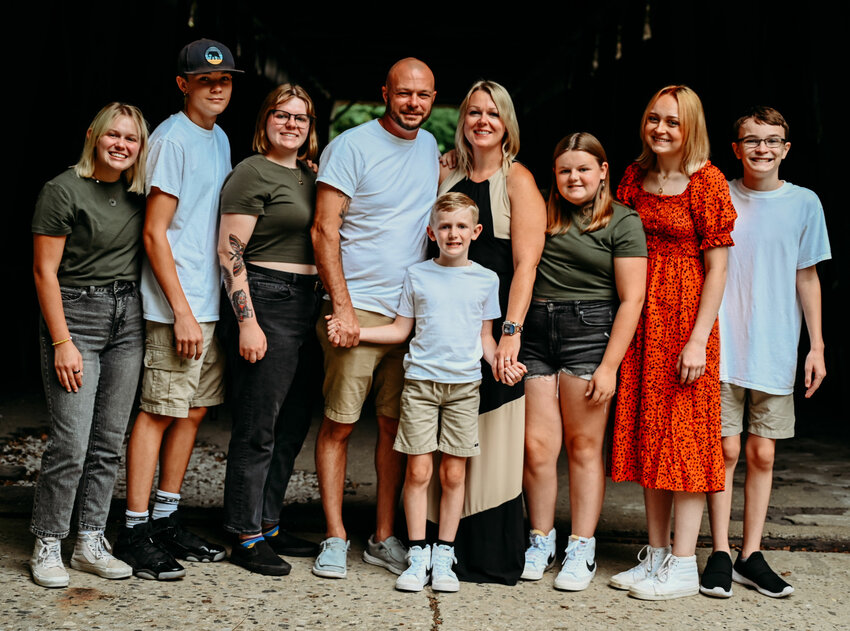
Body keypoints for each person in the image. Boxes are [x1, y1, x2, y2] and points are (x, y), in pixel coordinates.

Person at [327, 193, 524, 592]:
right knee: (418, 471)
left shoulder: (487, 279)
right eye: (445, 227)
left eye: (462, 227)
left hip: (464, 387)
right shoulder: (417, 275)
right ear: (432, 232)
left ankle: (444, 556)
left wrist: (501, 364)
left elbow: (485, 337)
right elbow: (402, 330)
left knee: (454, 474)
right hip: (419, 385)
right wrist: (356, 332)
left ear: (476, 232)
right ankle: (418, 554)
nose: (454, 234)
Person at [114, 38, 242, 580]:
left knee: (191, 412)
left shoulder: (219, 137)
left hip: (208, 301)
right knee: (158, 411)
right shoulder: (171, 139)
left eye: (225, 80)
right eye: (205, 78)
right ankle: (135, 529)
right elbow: (154, 232)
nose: (217, 87)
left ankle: (166, 518)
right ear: (182, 83)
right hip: (177, 307)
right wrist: (182, 311)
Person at [310, 58, 439, 579]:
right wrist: (341, 307)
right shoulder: (351, 146)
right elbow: (324, 230)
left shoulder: (430, 148)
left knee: (394, 429)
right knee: (340, 425)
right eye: (404, 93)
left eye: (424, 95)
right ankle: (336, 537)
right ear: (384, 91)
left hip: (410, 313)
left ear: (434, 98)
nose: (413, 103)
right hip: (357, 309)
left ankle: (383, 537)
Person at [609, 85, 736, 600]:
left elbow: (719, 267)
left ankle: (684, 563)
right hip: (643, 319)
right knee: (650, 439)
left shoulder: (707, 182)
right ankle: (657, 554)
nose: (660, 129)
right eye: (653, 119)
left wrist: (698, 340)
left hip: (686, 320)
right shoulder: (634, 177)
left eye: (673, 123)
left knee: (684, 443)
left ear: (691, 129)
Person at [700, 106, 830, 599]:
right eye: (752, 140)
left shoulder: (804, 203)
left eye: (772, 140)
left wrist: (816, 345)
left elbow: (807, 275)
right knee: (724, 450)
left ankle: (749, 554)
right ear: (735, 149)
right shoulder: (718, 193)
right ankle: (716, 551)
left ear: (786, 149)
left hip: (775, 345)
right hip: (723, 343)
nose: (762, 148)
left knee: (761, 451)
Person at [29, 103, 149, 588]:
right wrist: (62, 341)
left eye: (132, 139)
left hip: (129, 319)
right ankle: (47, 541)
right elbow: (44, 272)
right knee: (71, 442)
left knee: (107, 442)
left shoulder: (142, 192)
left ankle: (90, 542)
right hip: (77, 316)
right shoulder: (62, 190)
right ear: (93, 137)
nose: (121, 145)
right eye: (112, 136)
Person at [519, 133, 646, 591]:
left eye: (583, 169)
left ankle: (581, 546)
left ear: (603, 171)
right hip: (535, 332)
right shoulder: (540, 214)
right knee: (536, 447)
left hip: (589, 334)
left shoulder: (623, 222)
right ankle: (540, 539)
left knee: (584, 446)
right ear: (554, 174)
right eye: (565, 170)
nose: (574, 177)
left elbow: (632, 300)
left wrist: (610, 366)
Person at [437, 80, 546, 584]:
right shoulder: (446, 174)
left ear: (507, 124)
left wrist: (510, 333)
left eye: (493, 114)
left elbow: (525, 265)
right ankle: (439, 548)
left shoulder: (518, 179)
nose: (483, 121)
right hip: (447, 328)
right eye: (474, 112)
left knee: (495, 434)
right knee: (446, 436)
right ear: (463, 119)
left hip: (497, 329)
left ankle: (489, 552)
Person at [219, 83, 322, 576]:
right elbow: (230, 251)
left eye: (300, 118)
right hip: (267, 299)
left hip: (309, 305)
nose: (291, 124)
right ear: (265, 121)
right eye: (282, 115)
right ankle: (244, 533)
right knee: (259, 425)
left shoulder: (309, 174)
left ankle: (270, 520)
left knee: (294, 421)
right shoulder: (251, 171)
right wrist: (248, 322)